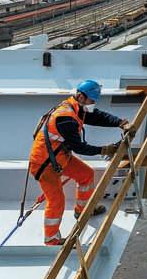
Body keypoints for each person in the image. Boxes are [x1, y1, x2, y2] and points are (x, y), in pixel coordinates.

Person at [26, 79, 126, 245]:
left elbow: (96, 116)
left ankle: (82, 210)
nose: (93, 104)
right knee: (56, 200)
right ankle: (51, 238)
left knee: (86, 174)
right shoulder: (65, 118)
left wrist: (120, 122)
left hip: (59, 158)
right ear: (81, 96)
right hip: (44, 165)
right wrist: (103, 150)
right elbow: (79, 147)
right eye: (91, 101)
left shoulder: (75, 107)